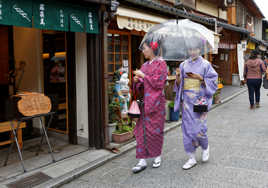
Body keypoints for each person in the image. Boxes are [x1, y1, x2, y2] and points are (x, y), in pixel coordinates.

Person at [174, 40, 218, 170]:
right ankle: (191, 157)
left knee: (199, 129)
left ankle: (205, 147)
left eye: (195, 49)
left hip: (200, 99)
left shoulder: (206, 64)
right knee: (187, 130)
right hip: (187, 102)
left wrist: (202, 79)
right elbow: (179, 84)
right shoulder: (183, 65)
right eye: (190, 49)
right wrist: (177, 78)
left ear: (200, 50)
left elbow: (214, 80)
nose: (192, 52)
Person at [132, 38, 167, 173]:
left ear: (152, 49)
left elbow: (159, 84)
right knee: (141, 131)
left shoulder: (162, 64)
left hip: (156, 103)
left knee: (155, 131)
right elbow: (141, 85)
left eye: (145, 48)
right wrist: (136, 81)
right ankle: (142, 159)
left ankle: (157, 155)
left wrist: (143, 77)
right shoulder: (145, 65)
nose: (143, 51)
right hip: (144, 103)